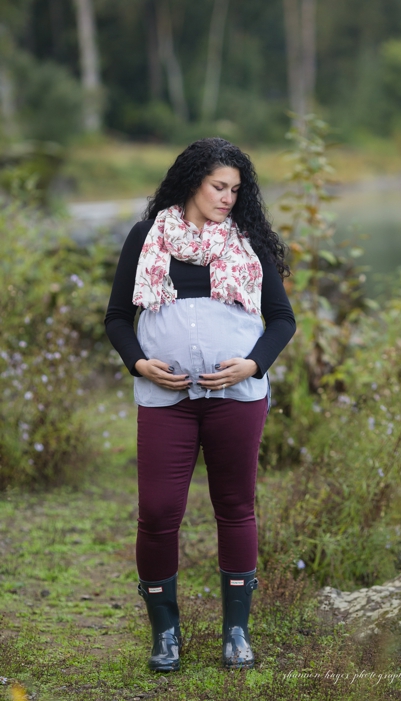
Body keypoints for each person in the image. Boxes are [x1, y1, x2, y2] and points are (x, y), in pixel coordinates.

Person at [103, 137, 295, 672]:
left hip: (235, 397)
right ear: (192, 182)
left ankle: (237, 632)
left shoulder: (247, 241)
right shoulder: (148, 237)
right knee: (160, 511)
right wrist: (140, 364)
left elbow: (282, 320)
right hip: (167, 401)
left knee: (235, 507)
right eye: (218, 187)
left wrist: (252, 364)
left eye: (235, 189)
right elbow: (117, 317)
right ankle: (165, 633)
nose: (228, 198)